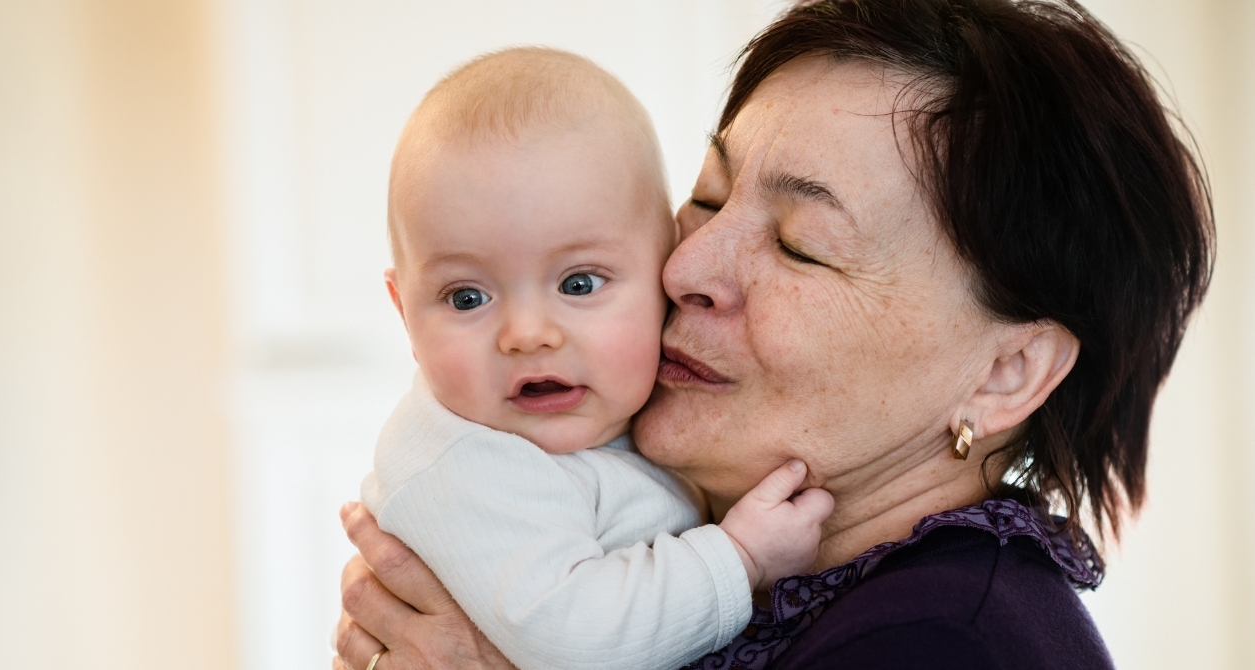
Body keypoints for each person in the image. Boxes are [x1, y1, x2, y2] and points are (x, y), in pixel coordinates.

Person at [334, 0, 1214, 668]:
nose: (684, 268)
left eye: (799, 247)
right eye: (709, 197)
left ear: (1006, 370)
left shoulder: (945, 640)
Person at [367, 46, 833, 670]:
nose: (527, 335)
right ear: (404, 313)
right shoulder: (468, 464)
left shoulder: (631, 413)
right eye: (466, 296)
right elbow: (578, 639)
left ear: (664, 263)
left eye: (579, 284)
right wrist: (739, 557)